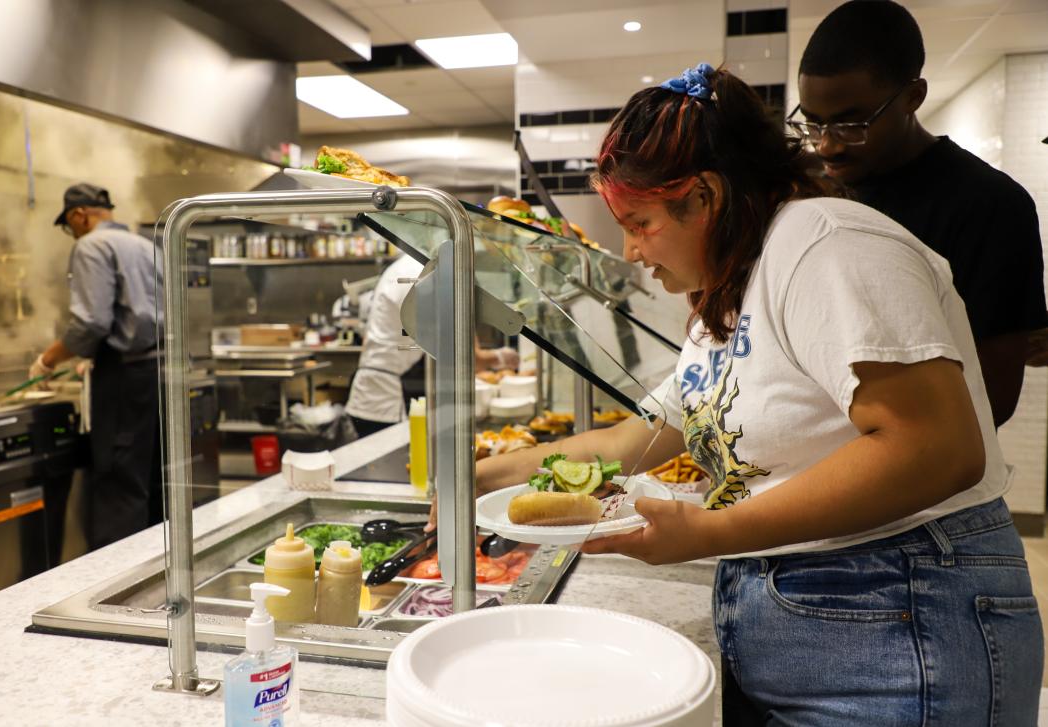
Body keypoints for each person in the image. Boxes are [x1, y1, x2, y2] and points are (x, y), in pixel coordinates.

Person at [471, 64, 1043, 724]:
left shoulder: (826, 243)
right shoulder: (729, 295)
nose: (629, 250)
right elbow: (639, 437)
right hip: (823, 624)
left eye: (640, 221)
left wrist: (710, 531)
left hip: (901, 627)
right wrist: (485, 478)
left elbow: (938, 447)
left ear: (706, 196)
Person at [791, 0, 1048, 427]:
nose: (827, 145)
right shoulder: (813, 192)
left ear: (913, 97)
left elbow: (991, 398)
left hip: (927, 475)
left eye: (852, 125)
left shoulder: (988, 204)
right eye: (813, 123)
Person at [32, 183, 164, 551]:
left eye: (69, 225)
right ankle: (152, 580)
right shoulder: (144, 244)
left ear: (79, 215)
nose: (71, 233)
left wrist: (48, 360)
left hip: (124, 377)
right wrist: (94, 355)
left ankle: (114, 596)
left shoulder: (91, 245)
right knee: (145, 482)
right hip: (156, 372)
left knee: (118, 483)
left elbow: (90, 323)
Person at [345, 252, 519, 437]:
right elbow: (466, 356)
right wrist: (500, 357)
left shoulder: (408, 266)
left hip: (372, 394)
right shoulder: (424, 275)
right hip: (386, 404)